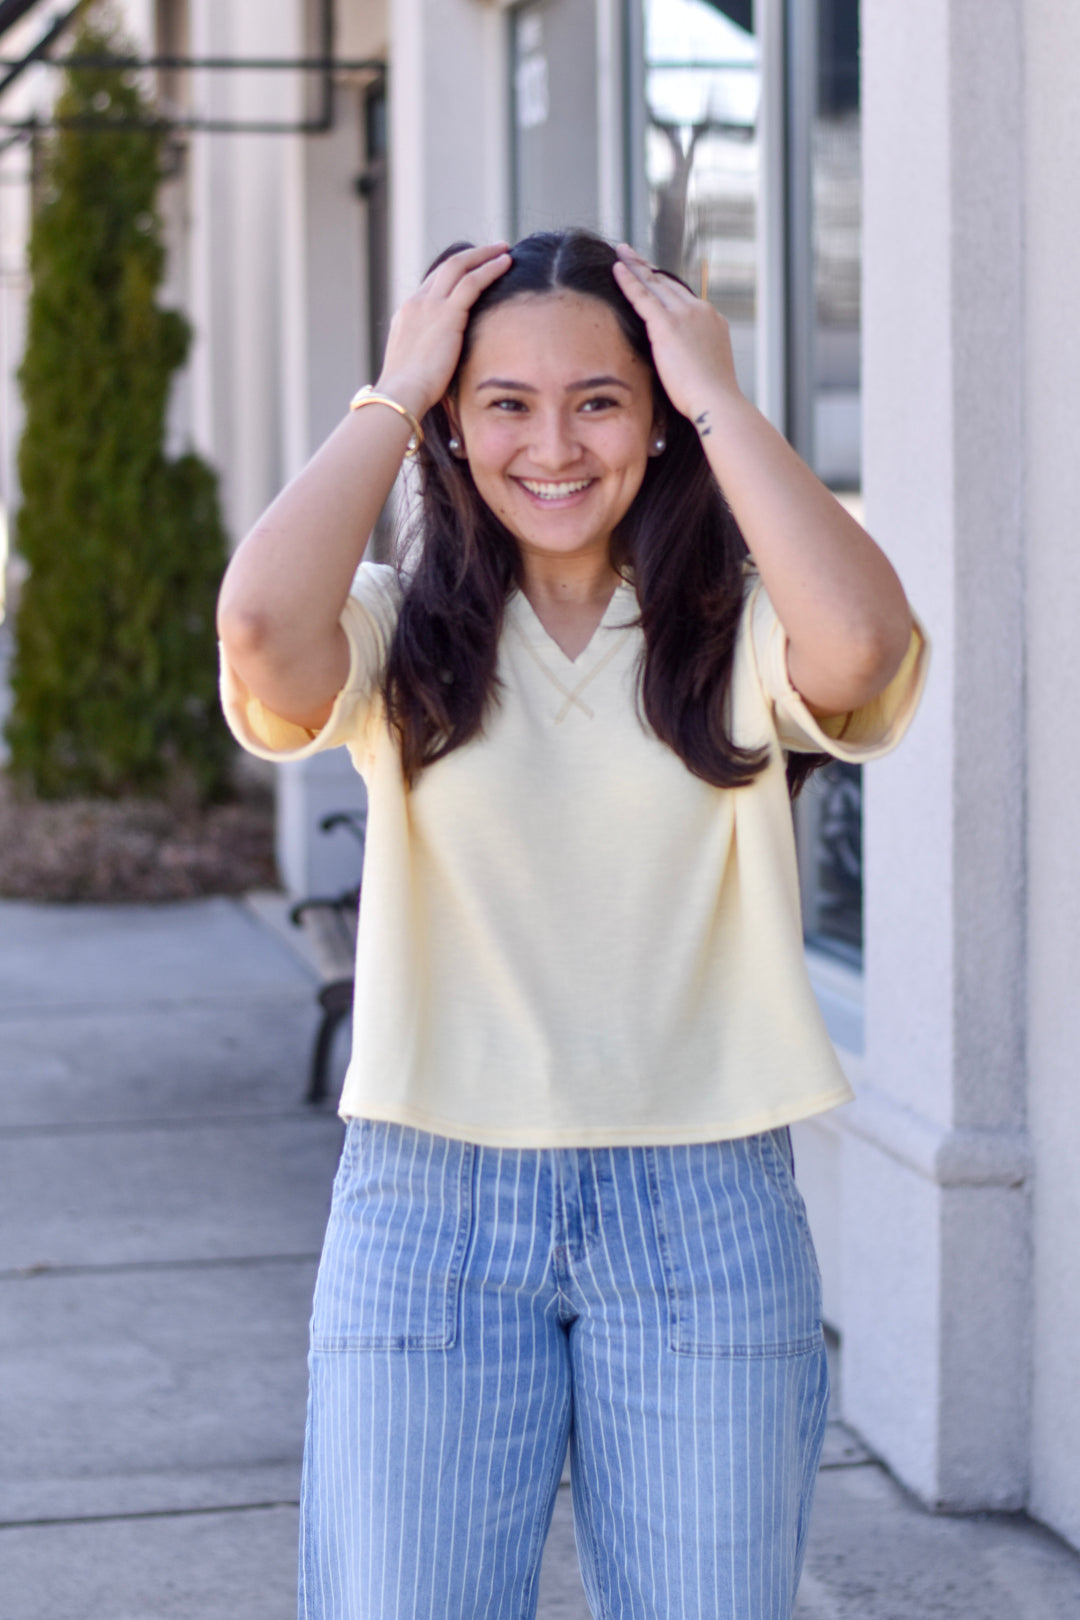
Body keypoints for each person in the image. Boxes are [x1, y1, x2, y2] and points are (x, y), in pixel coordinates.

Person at [217, 229, 927, 1620]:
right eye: (505, 402)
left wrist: (720, 395)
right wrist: (393, 393)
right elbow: (256, 626)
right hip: (430, 1205)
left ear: (656, 419)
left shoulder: (730, 630)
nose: (555, 443)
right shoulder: (395, 629)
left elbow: (867, 644)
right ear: (454, 424)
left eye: (600, 398)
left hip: (703, 1208)